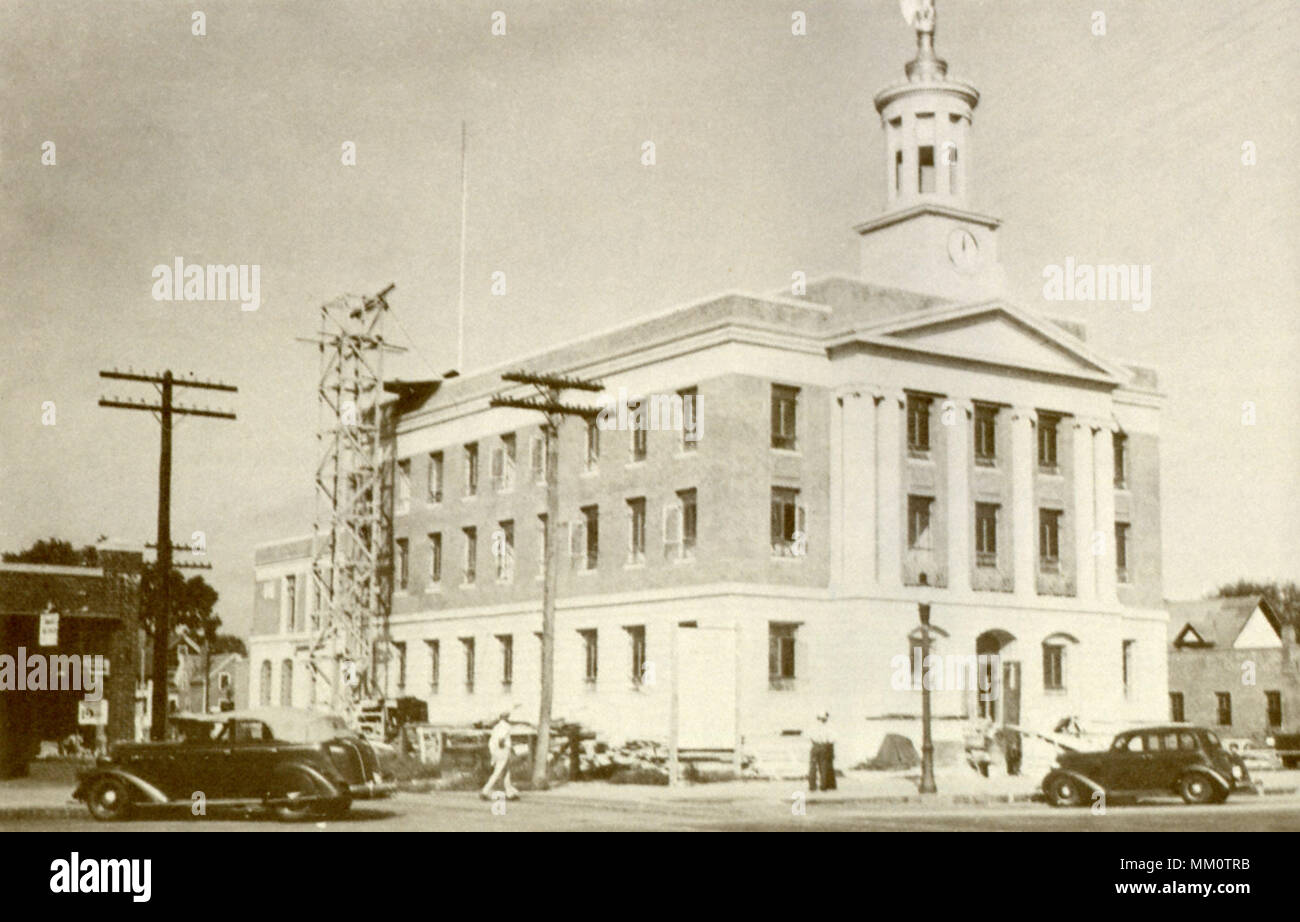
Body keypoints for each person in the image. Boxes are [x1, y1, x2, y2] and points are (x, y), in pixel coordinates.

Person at [480, 707, 521, 801]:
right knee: (499, 771)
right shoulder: (505, 726)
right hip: (502, 751)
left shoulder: (497, 726)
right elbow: (501, 740)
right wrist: (506, 749)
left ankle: (510, 793)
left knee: (506, 771)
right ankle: (485, 791)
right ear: (506, 717)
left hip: (496, 751)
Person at [808, 709, 836, 791]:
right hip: (824, 747)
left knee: (812, 766)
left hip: (815, 746)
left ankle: (812, 786)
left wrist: (814, 742)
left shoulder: (813, 726)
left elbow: (809, 736)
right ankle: (823, 786)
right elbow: (832, 739)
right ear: (825, 718)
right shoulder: (828, 727)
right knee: (823, 766)